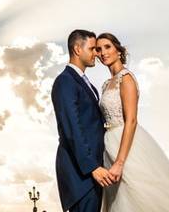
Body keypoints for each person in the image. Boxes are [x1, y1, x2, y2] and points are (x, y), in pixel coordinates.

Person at [95, 33, 169, 211]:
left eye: (107, 47)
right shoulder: (106, 84)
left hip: (125, 145)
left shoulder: (126, 78)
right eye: (99, 49)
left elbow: (131, 120)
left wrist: (120, 162)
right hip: (109, 146)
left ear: (118, 49)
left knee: (143, 195)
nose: (103, 52)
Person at [51, 29, 113, 212]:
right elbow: (72, 129)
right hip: (80, 175)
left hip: (92, 172)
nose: (97, 53)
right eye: (93, 48)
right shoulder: (64, 81)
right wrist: (93, 167)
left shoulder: (87, 83)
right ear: (78, 49)